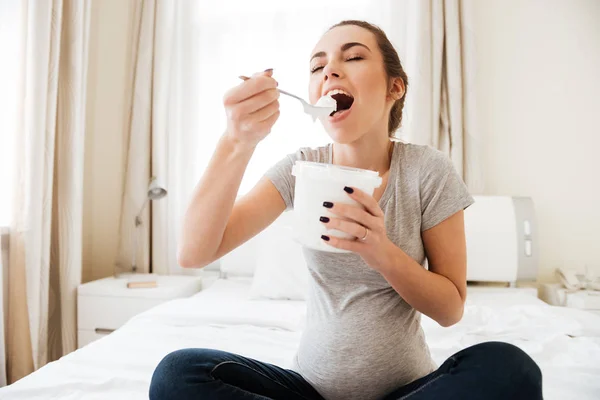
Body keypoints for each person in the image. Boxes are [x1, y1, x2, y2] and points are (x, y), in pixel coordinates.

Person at [149, 20, 542, 400]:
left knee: (510, 368)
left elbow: (450, 309)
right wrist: (237, 139)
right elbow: (195, 252)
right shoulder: (299, 168)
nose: (330, 70)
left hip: (409, 390)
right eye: (318, 66)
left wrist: (382, 253)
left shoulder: (427, 172)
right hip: (307, 390)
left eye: (352, 58)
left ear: (395, 87)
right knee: (178, 374)